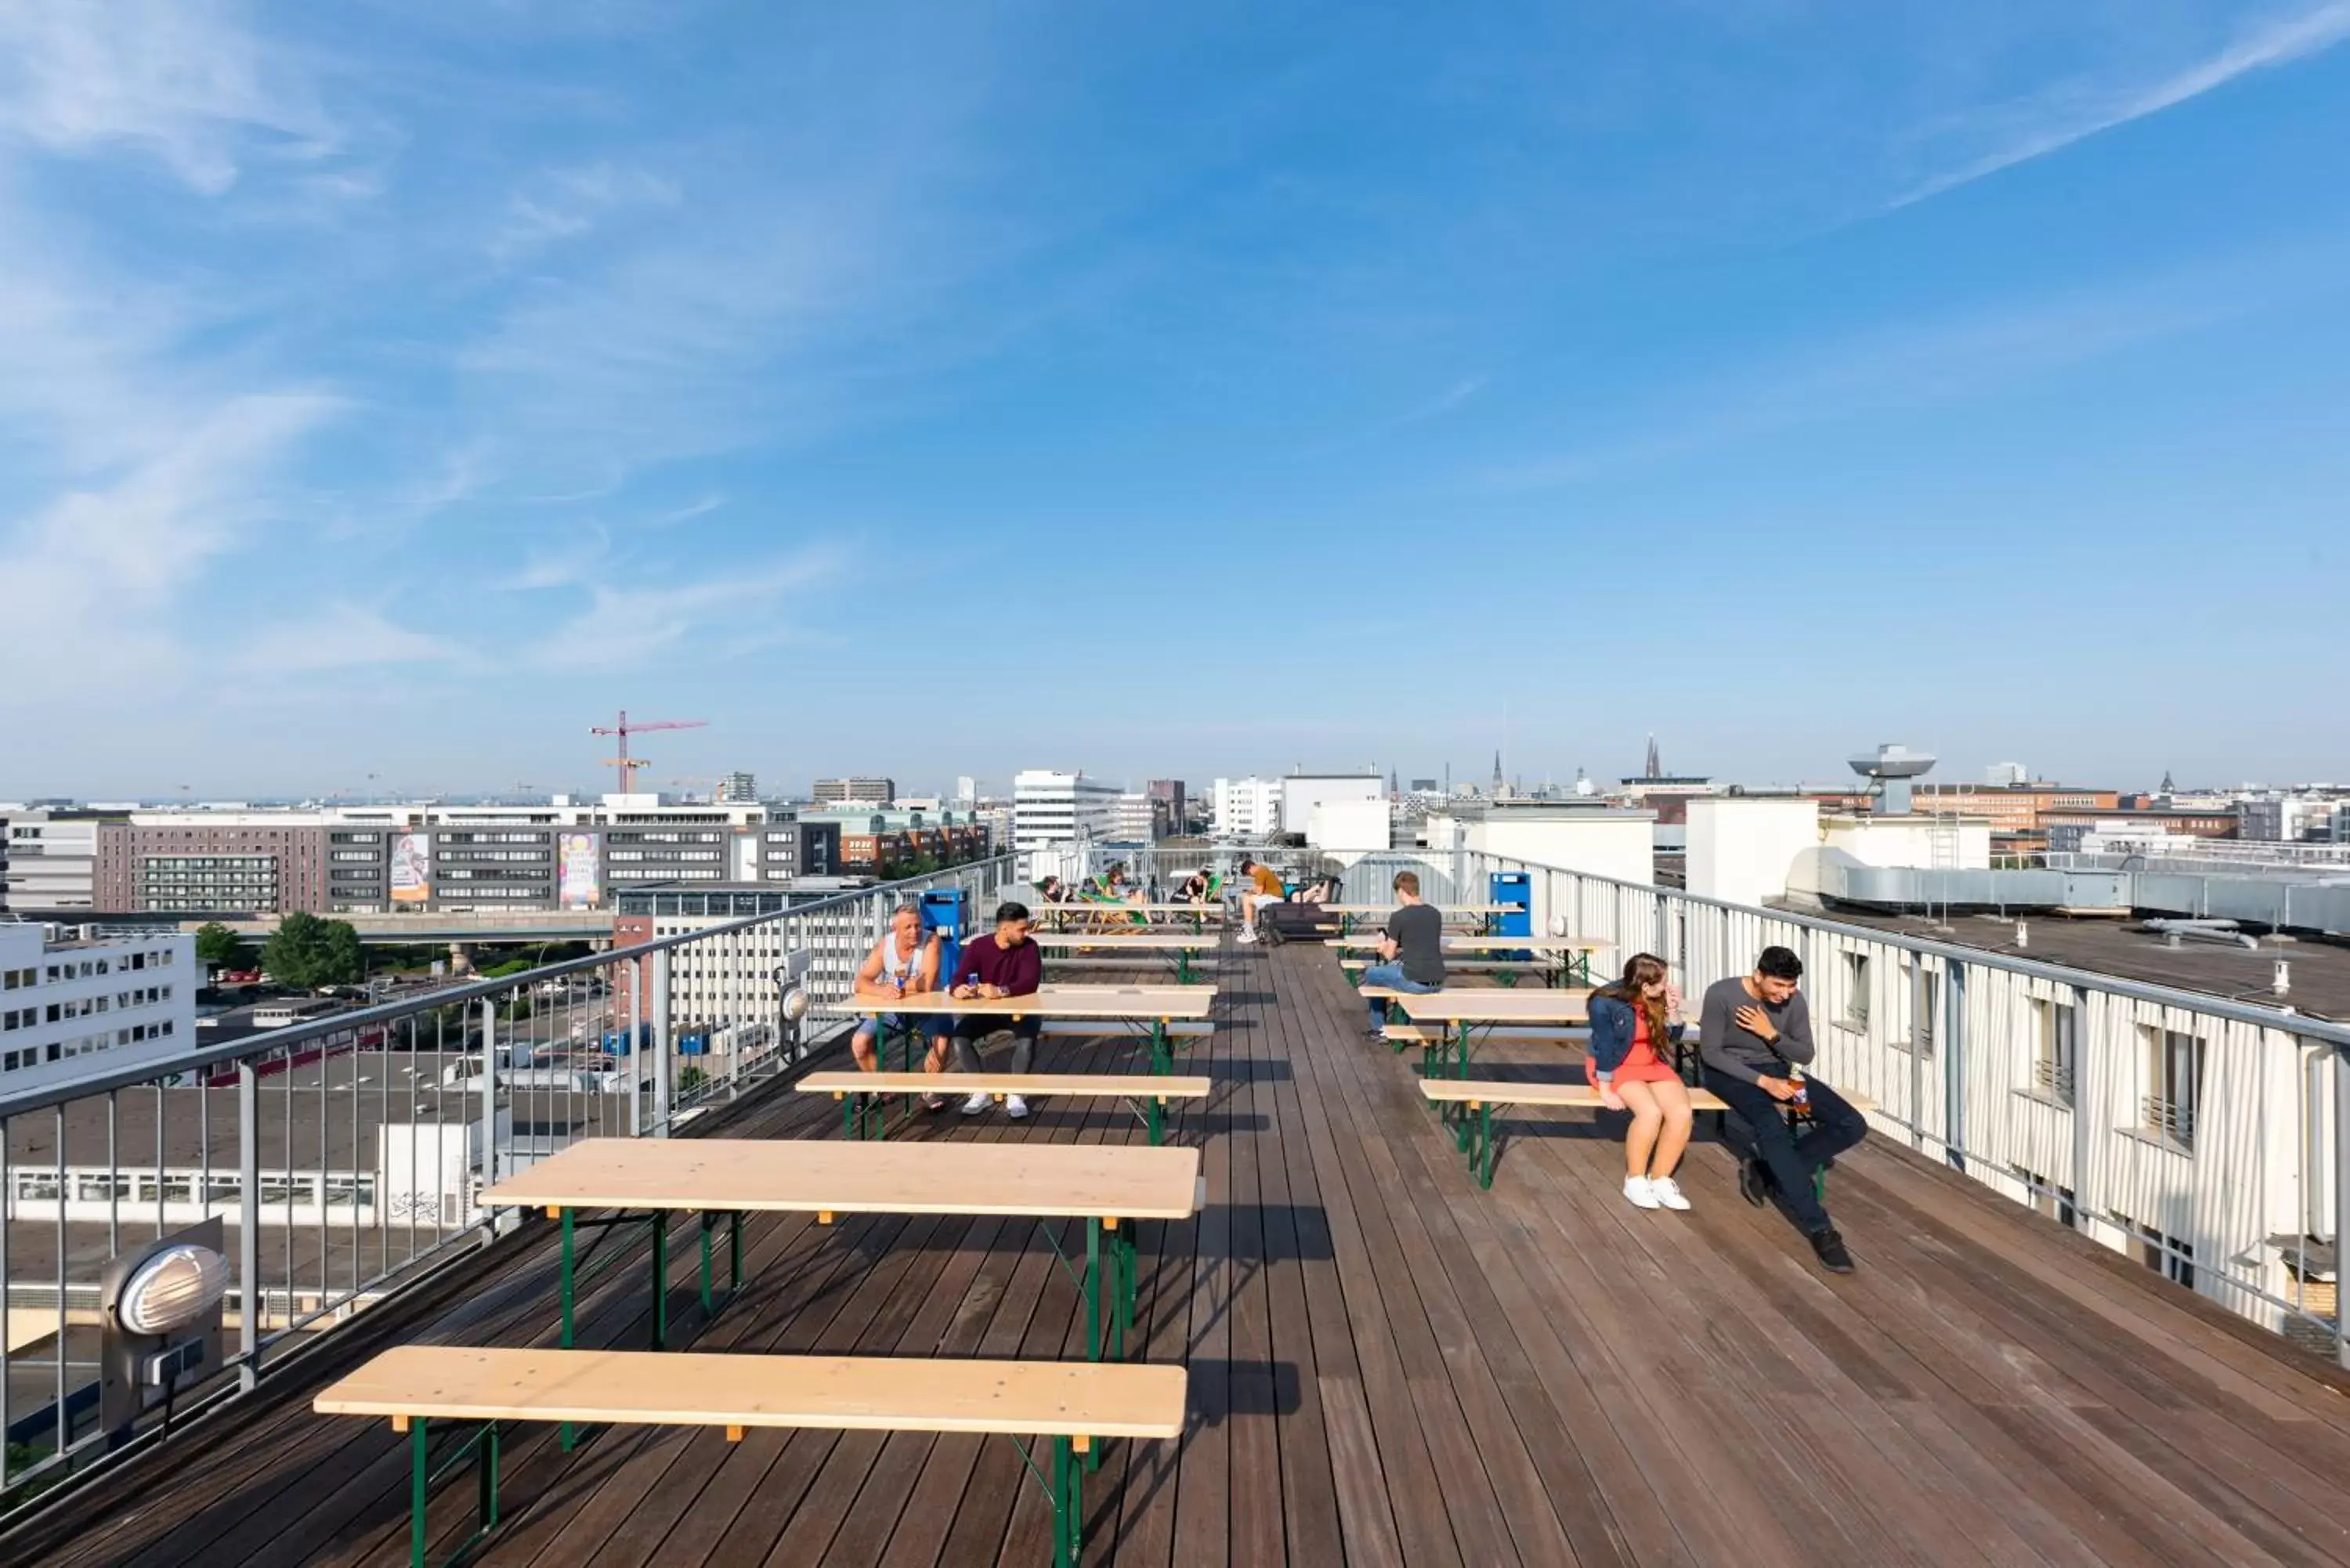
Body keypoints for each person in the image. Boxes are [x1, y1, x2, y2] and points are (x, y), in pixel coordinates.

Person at [1697, 945, 1867, 1273]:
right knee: (1770, 1126)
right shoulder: (1721, 994)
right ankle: (1822, 1230)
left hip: (1781, 1074)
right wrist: (1762, 1082)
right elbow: (1712, 1054)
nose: (1785, 993)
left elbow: (1804, 1056)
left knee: (1850, 1123)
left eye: (1791, 986)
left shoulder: (1793, 1002)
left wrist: (1771, 1034)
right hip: (1731, 1076)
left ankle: (1766, 1171)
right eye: (1778, 985)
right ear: (1758, 975)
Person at [1587, 953, 1693, 1210]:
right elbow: (1604, 1045)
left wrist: (1673, 1010)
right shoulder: (1604, 1002)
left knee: (1682, 1113)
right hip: (1615, 1063)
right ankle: (1634, 1179)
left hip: (1651, 1063)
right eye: (1663, 981)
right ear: (1645, 986)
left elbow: (1674, 1037)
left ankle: (1660, 1179)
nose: (1667, 985)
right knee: (1650, 1113)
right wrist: (1605, 1089)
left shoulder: (1657, 1000)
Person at [946, 901, 1046, 1118]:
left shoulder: (1030, 947)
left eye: (1026, 928)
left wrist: (1000, 990)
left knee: (1027, 1040)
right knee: (960, 1037)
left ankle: (1016, 1093)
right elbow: (958, 978)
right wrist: (958, 990)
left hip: (1020, 1010)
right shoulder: (979, 946)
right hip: (987, 1012)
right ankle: (981, 1090)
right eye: (1021, 929)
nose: (1025, 932)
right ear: (1004, 929)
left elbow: (1030, 983)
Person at [848, 903, 952, 1108]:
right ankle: (881, 1089)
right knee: (859, 1043)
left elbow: (927, 983)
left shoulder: (931, 941)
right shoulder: (884, 946)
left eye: (918, 926)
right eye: (908, 927)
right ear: (895, 929)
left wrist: (895, 986)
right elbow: (861, 983)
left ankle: (930, 1089)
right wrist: (882, 991)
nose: (915, 931)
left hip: (927, 1009)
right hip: (893, 1010)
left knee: (942, 1037)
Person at [1358, 870, 1445, 1039]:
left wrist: (1382, 945)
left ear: (1401, 891)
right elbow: (1421, 939)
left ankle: (1379, 1029)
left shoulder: (1399, 916)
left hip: (1415, 981)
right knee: (1395, 973)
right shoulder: (1435, 914)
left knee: (1373, 974)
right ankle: (1403, 1025)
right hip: (1438, 979)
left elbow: (1389, 955)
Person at [1235, 857, 1288, 944]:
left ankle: (1249, 932)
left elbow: (1259, 892)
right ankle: (1248, 926)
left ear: (1251, 867)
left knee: (1247, 900)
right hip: (1274, 897)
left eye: (1249, 874)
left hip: (1275, 899)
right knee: (1247, 898)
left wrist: (1250, 894)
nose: (1250, 876)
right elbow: (1257, 887)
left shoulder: (1260, 872)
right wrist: (1250, 892)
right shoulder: (1263, 869)